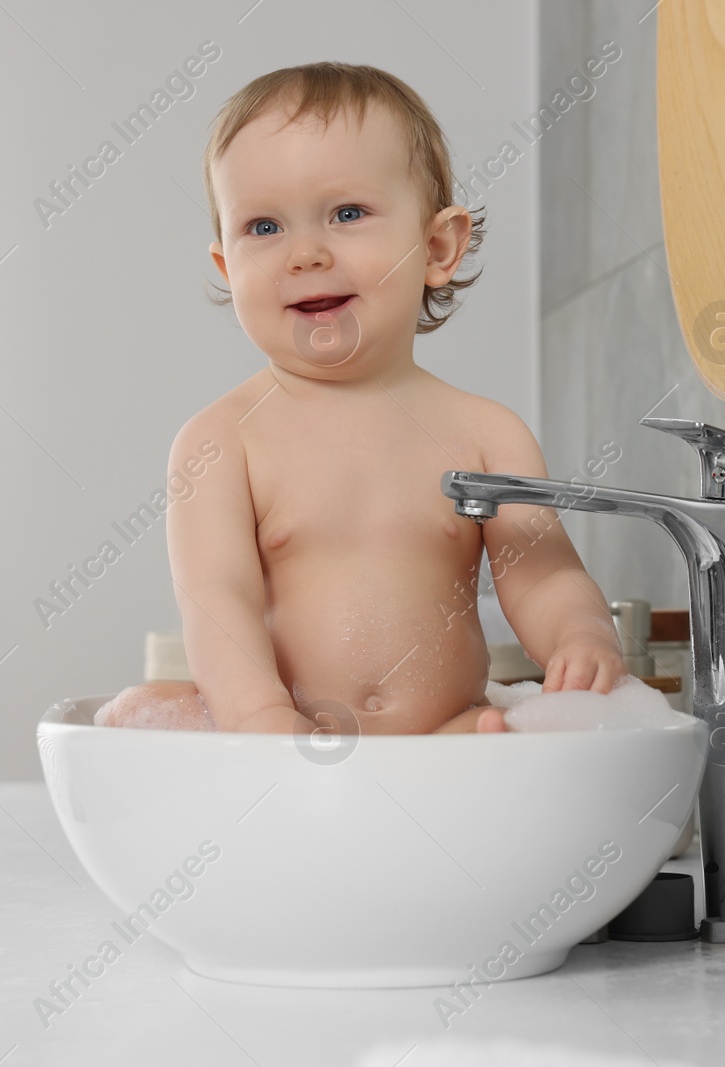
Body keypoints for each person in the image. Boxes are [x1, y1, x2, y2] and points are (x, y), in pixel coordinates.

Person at [97, 62, 626, 736]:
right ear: (229, 269)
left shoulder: (486, 433)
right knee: (141, 713)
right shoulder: (222, 442)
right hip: (287, 732)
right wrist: (262, 717)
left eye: (347, 213)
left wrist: (582, 637)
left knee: (518, 731)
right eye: (263, 227)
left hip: (443, 737)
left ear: (437, 247)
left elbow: (542, 574)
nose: (305, 252)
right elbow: (216, 601)